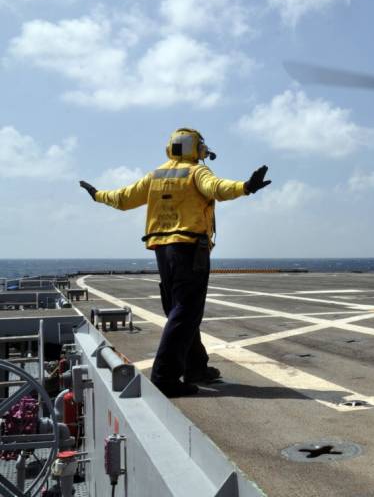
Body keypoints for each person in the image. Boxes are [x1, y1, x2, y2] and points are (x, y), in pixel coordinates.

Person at [79, 128, 271, 397]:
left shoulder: (156, 175)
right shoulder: (196, 172)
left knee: (179, 309)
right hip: (190, 248)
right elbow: (217, 188)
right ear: (196, 148)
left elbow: (123, 198)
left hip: (162, 249)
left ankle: (196, 367)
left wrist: (98, 195)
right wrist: (246, 187)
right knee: (186, 311)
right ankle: (165, 377)